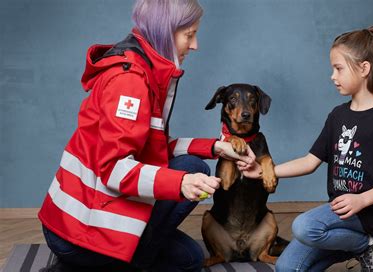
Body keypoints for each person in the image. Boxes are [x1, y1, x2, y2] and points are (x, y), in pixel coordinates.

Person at [38, 0, 255, 271]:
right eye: (189, 35)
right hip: (78, 229)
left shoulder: (147, 71)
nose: (195, 44)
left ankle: (107, 261)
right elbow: (114, 169)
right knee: (189, 175)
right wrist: (181, 183)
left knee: (190, 257)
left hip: (89, 215)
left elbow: (153, 148)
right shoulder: (129, 81)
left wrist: (217, 147)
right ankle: (94, 262)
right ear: (165, 32)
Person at [240, 26, 373, 272]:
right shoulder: (337, 115)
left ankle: (369, 244)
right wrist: (265, 171)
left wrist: (362, 199)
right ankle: (353, 247)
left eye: (338, 68)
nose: (332, 75)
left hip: (368, 215)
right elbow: (310, 162)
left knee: (304, 227)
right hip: (339, 215)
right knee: (286, 268)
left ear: (364, 69)